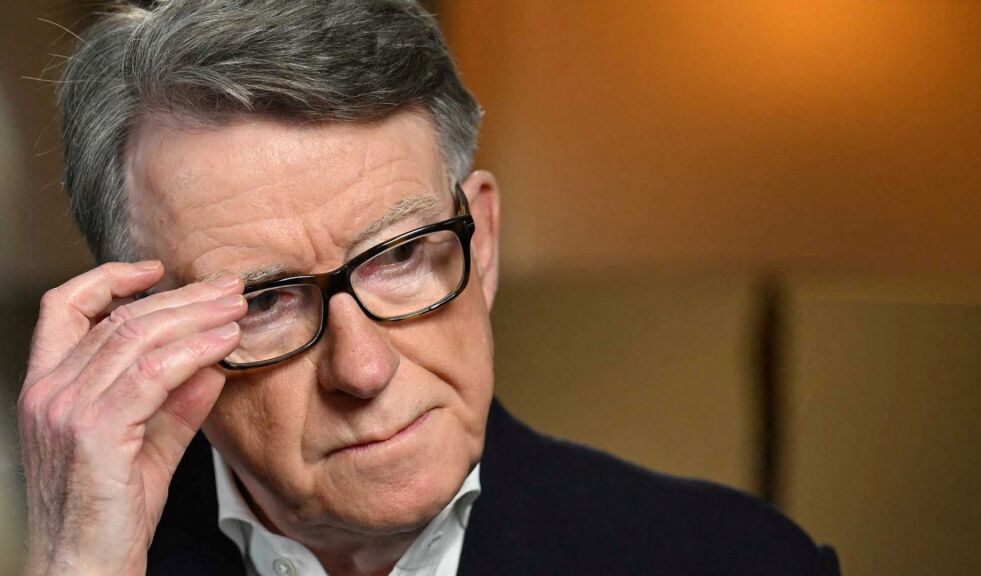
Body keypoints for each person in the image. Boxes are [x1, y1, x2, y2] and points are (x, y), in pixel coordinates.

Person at [17, 1, 840, 575]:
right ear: (141, 338)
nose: (363, 368)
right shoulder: (94, 564)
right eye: (262, 300)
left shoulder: (736, 561)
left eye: (403, 254)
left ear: (483, 244)